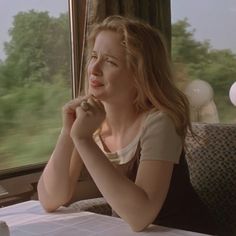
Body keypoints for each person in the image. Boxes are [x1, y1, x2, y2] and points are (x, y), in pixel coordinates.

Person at [37, 15, 217, 234]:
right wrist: (69, 131)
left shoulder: (160, 122)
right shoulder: (90, 122)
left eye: (110, 61)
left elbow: (140, 216)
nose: (94, 69)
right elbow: (50, 198)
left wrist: (83, 140)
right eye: (94, 56)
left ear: (139, 74)